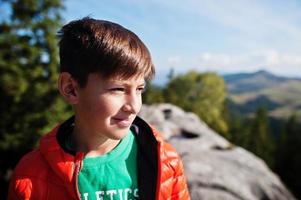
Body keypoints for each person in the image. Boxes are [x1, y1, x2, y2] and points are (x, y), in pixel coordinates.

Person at [8, 17, 190, 200]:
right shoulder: (31, 178)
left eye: (140, 89)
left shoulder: (165, 161)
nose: (134, 106)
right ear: (70, 88)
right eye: (118, 89)